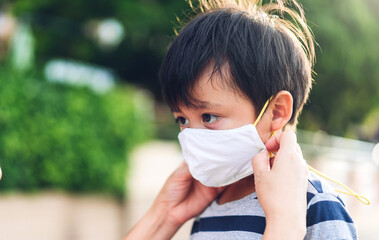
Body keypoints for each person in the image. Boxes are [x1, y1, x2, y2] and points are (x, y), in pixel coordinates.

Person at [126, 0, 357, 239]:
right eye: (182, 120)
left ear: (276, 111)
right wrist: (165, 214)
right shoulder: (209, 207)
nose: (192, 136)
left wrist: (284, 219)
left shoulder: (314, 203)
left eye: (208, 117)